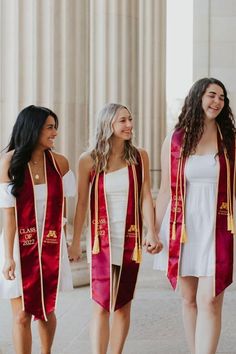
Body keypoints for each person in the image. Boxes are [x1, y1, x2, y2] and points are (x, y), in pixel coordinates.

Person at [68, 103, 163, 354]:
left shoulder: (139, 156)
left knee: (124, 303)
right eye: (123, 120)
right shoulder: (88, 160)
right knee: (100, 303)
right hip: (101, 239)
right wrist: (76, 242)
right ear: (107, 123)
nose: (129, 125)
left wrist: (151, 232)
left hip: (130, 237)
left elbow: (145, 196)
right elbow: (81, 204)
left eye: (130, 119)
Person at [153, 77, 236, 354]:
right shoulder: (175, 140)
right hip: (183, 226)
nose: (217, 101)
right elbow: (165, 190)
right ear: (198, 97)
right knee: (188, 299)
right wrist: (152, 231)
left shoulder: (231, 142)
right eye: (212, 95)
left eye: (222, 98)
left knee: (209, 299)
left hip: (218, 225)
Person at [0, 105, 76, 354]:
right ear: (33, 128)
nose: (55, 132)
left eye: (55, 126)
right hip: (18, 247)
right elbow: (9, 215)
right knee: (22, 315)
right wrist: (8, 257)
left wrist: (66, 241)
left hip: (50, 245)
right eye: (49, 127)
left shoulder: (60, 163)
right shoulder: (10, 163)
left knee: (45, 311)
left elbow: (64, 208)